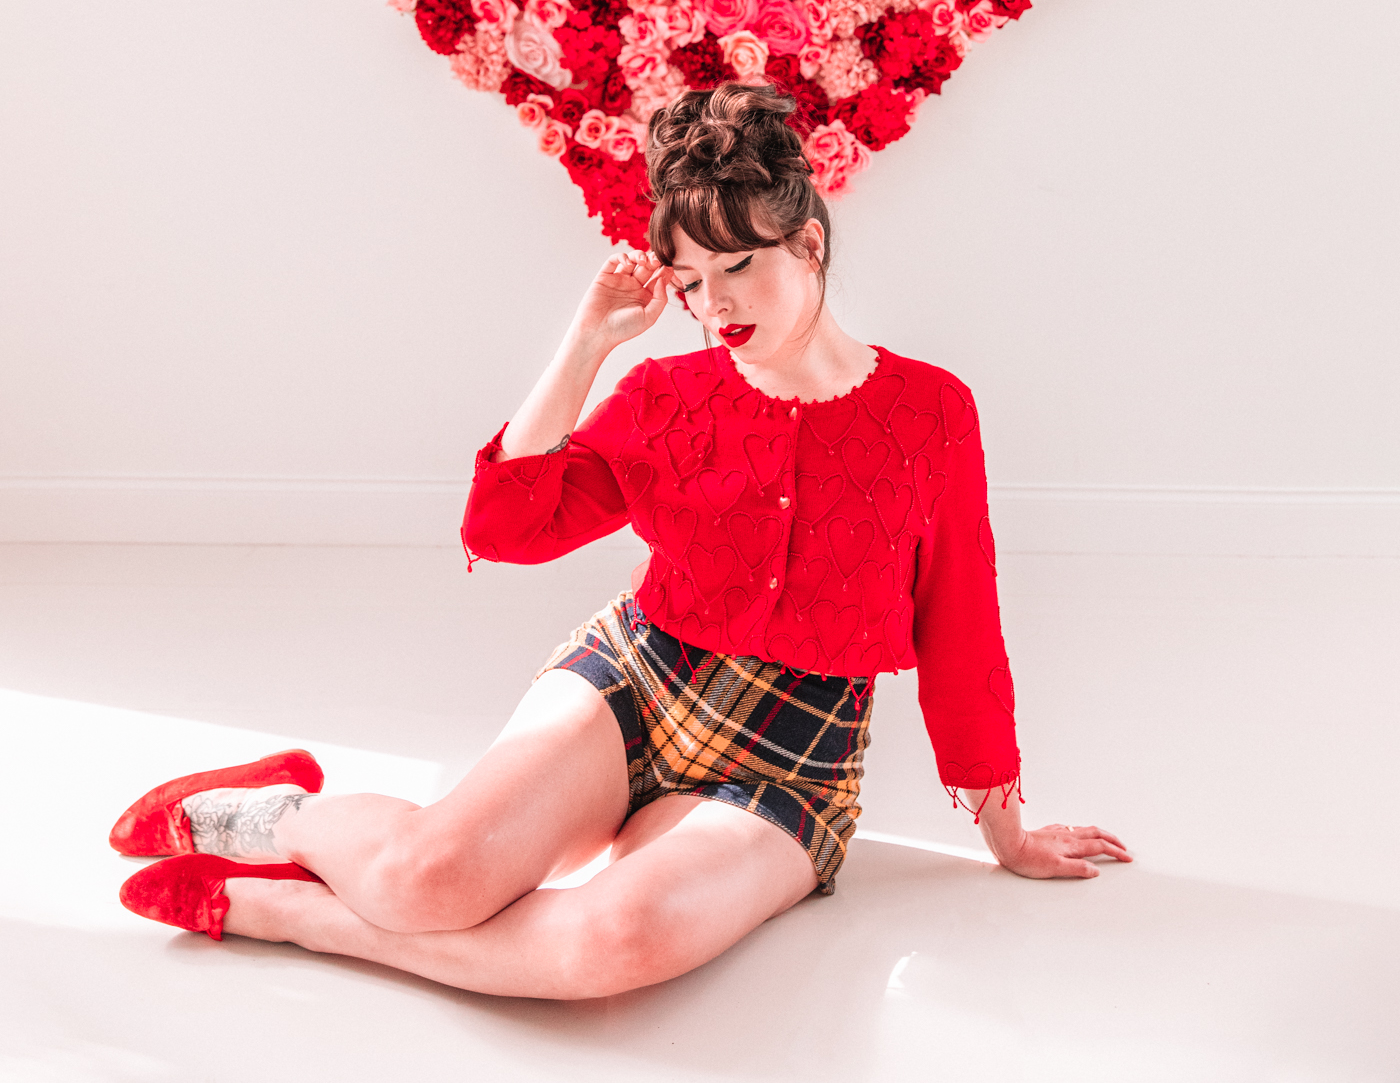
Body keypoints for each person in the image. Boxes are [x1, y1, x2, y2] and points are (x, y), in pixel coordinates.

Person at [113, 81, 1130, 998]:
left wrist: (1005, 830)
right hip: (634, 684)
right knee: (429, 880)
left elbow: (960, 616)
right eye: (688, 280)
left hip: (792, 760)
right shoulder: (665, 398)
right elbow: (503, 527)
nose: (712, 303)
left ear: (808, 245)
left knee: (610, 947)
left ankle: (277, 910)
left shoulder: (928, 411)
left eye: (736, 265)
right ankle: (280, 817)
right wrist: (587, 343)